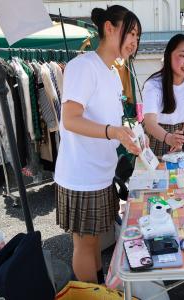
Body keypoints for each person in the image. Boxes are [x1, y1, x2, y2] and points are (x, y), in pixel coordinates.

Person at [54, 5, 142, 283]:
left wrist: (132, 133)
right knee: (85, 244)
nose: (135, 42)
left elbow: (111, 121)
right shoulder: (83, 66)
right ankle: (89, 291)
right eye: (132, 33)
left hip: (102, 172)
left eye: (138, 37)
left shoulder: (113, 72)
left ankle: (98, 286)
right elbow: (70, 120)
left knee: (95, 243)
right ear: (109, 28)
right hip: (81, 175)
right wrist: (114, 133)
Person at [142, 34, 184, 157]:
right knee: (156, 174)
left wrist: (182, 135)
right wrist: (169, 138)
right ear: (169, 56)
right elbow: (150, 123)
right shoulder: (154, 85)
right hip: (155, 136)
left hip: (180, 136)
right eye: (182, 55)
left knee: (182, 174)